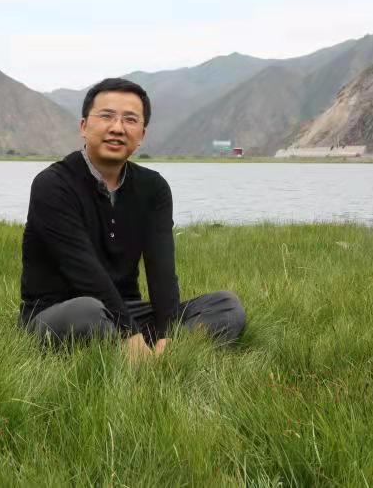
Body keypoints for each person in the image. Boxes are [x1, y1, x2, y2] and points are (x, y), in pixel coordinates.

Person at [18, 78, 246, 361]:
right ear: (84, 126)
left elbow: (161, 272)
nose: (117, 128)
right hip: (61, 313)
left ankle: (159, 356)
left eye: (130, 120)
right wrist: (131, 335)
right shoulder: (52, 185)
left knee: (226, 307)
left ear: (142, 135)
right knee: (88, 312)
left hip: (128, 310)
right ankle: (136, 351)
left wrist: (166, 334)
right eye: (106, 116)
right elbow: (84, 271)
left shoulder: (154, 188)